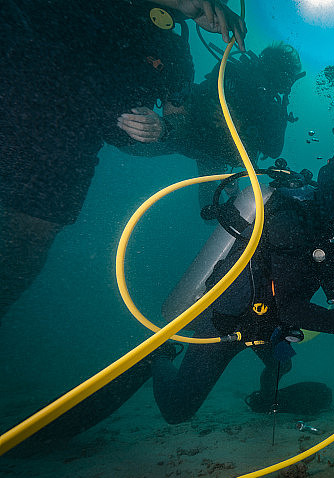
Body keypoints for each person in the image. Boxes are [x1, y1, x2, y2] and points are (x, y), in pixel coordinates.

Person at [21, 145, 334, 446]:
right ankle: (158, 360)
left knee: (281, 365)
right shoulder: (287, 220)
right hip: (226, 321)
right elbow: (291, 306)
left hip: (268, 325)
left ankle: (265, 398)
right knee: (179, 411)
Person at [0, 0, 246, 323]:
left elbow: (179, 120)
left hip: (74, 142)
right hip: (21, 79)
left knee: (28, 243)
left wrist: (162, 128)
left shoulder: (174, 49)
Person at [117, 41, 306, 211]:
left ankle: (231, 192)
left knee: (208, 207)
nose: (287, 85)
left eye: (289, 80)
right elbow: (201, 100)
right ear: (273, 68)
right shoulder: (233, 73)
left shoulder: (274, 107)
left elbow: (274, 150)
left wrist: (239, 125)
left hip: (219, 154)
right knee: (130, 143)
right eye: (286, 77)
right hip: (195, 136)